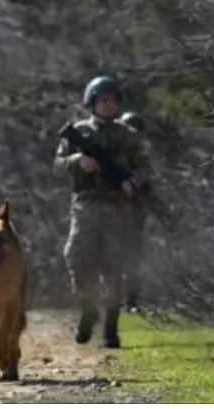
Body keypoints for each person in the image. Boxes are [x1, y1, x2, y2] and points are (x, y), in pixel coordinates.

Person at [53, 76, 151, 349]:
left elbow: (145, 166)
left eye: (113, 100)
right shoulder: (79, 132)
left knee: (113, 267)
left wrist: (133, 181)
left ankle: (110, 326)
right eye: (103, 100)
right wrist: (78, 160)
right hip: (85, 205)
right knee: (76, 258)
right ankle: (88, 309)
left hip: (118, 207)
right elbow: (58, 164)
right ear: (92, 102)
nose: (109, 105)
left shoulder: (128, 135)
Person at [118, 110, 148, 312]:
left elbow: (146, 182)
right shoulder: (114, 154)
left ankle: (131, 301)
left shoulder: (141, 159)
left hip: (134, 214)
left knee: (132, 259)